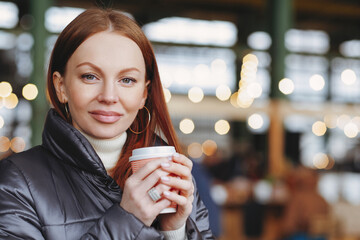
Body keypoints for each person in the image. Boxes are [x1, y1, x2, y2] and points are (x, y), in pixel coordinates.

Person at [0, 8, 214, 239]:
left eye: (127, 80)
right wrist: (129, 220)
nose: (109, 96)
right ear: (61, 86)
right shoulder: (17, 182)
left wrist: (174, 231)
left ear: (144, 94)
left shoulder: (171, 176)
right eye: (90, 76)